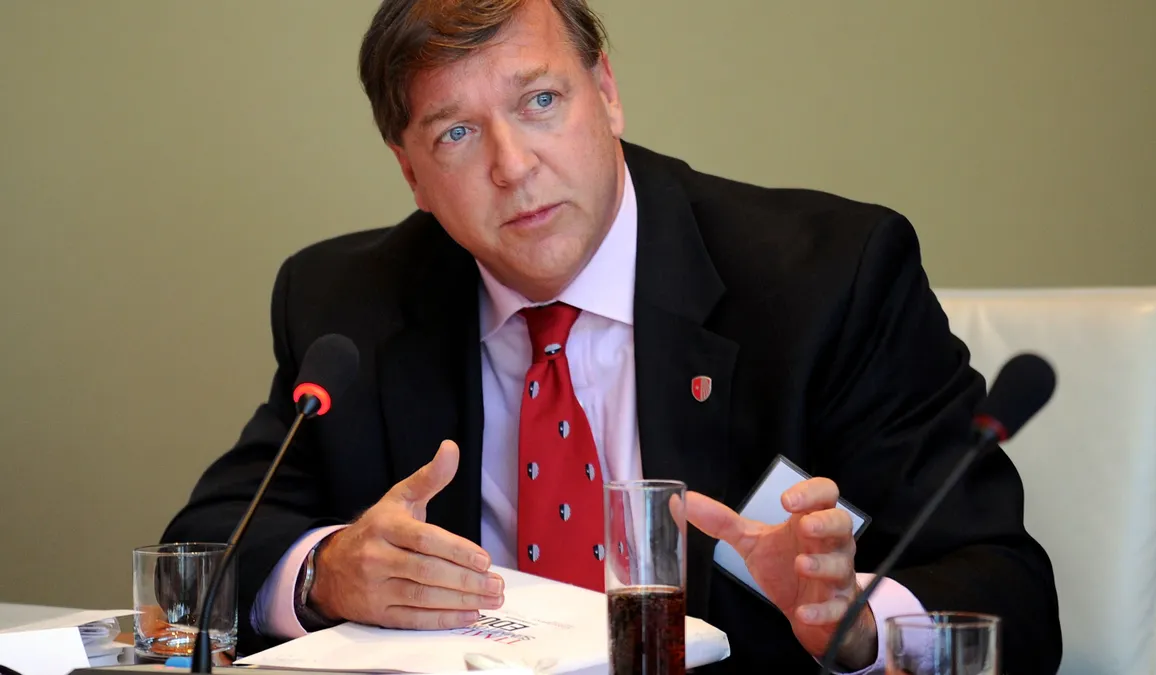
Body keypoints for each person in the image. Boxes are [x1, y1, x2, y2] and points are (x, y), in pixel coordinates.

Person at [161, 0, 1063, 672]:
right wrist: (327, 572)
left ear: (607, 93)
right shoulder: (348, 300)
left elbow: (1010, 593)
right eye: (458, 132)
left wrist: (857, 620)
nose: (514, 167)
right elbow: (205, 547)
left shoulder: (828, 280)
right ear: (411, 173)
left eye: (542, 101)